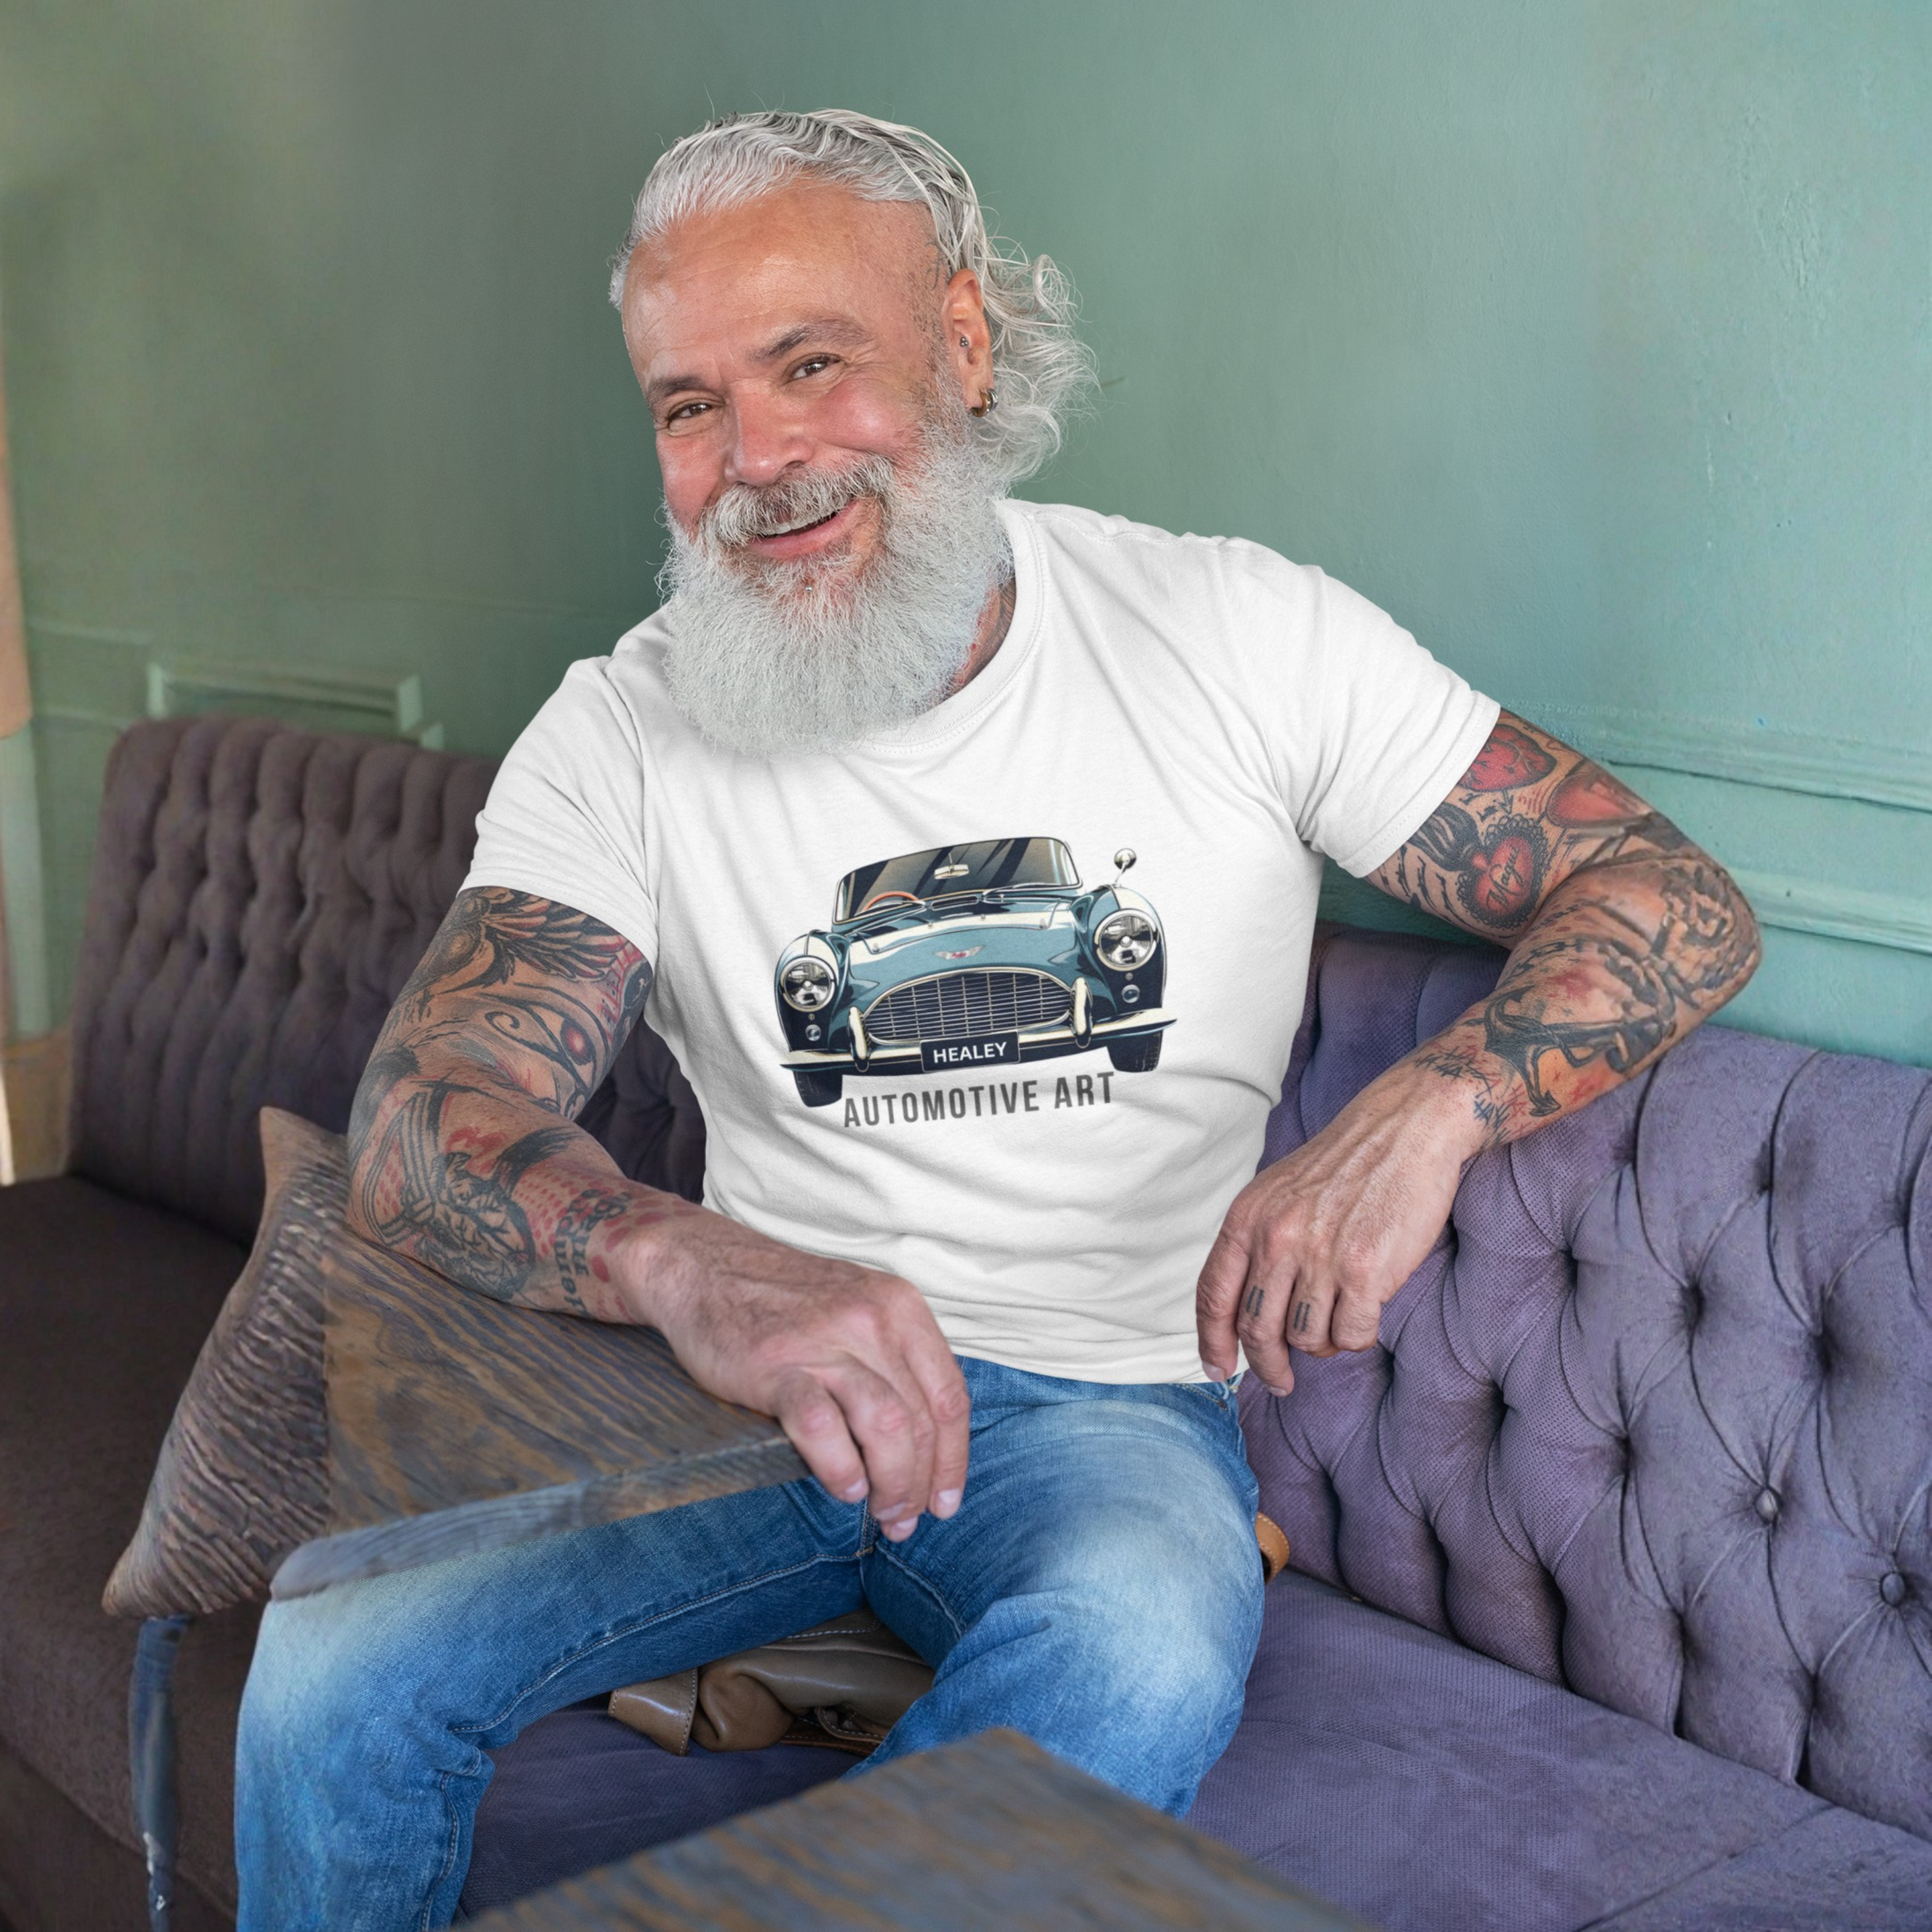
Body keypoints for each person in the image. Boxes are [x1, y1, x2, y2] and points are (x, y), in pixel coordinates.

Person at [234, 110, 1759, 1928]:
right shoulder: (626, 722)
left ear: (962, 345)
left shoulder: (1234, 634)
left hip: (1106, 1408)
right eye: (689, 404)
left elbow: (1673, 897)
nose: (759, 459)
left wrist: (1426, 1108)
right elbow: (426, 1112)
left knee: (1136, 1653)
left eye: (815, 365)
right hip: (736, 1391)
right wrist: (697, 1271)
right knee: (330, 1662)